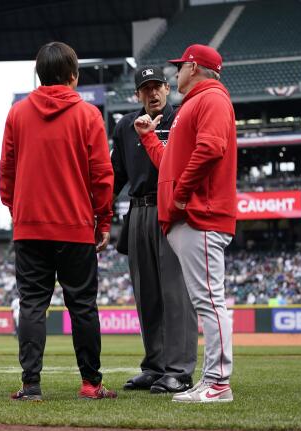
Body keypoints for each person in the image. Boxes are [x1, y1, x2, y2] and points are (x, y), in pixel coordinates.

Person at [0, 41, 116, 401]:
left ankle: (31, 385)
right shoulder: (88, 115)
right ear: (72, 75)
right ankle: (90, 384)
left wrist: (16, 210)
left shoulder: (18, 113)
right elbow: (102, 174)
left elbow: (7, 171)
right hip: (76, 227)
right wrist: (104, 221)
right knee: (82, 305)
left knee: (32, 303)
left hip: (30, 226)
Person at [134, 44, 237, 403]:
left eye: (179, 66)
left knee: (209, 301)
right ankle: (213, 381)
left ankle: (218, 383)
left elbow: (210, 149)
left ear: (193, 67)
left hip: (199, 214)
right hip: (188, 215)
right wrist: (148, 137)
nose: (175, 72)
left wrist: (182, 193)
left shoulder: (211, 99)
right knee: (205, 299)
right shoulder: (197, 102)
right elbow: (170, 165)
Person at [111, 65, 197, 394]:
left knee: (175, 294)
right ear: (138, 94)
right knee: (146, 296)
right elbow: (116, 176)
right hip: (138, 211)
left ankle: (179, 369)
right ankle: (155, 366)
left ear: (167, 87)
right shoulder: (125, 126)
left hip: (171, 210)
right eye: (145, 88)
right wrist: (98, 213)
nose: (153, 93)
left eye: (157, 86)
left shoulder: (183, 118)